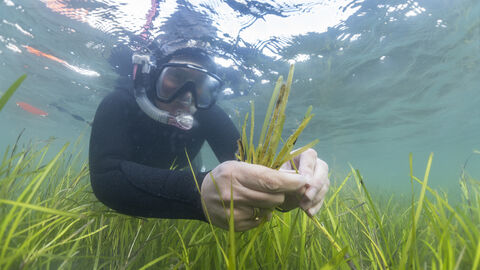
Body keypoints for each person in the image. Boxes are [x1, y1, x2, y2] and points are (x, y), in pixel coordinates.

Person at [89, 46, 329, 231]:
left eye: (201, 84)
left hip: (182, 166)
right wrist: (199, 192)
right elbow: (106, 177)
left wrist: (284, 178)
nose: (187, 95)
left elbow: (250, 167)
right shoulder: (120, 103)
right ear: (154, 77)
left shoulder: (207, 114)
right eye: (176, 76)